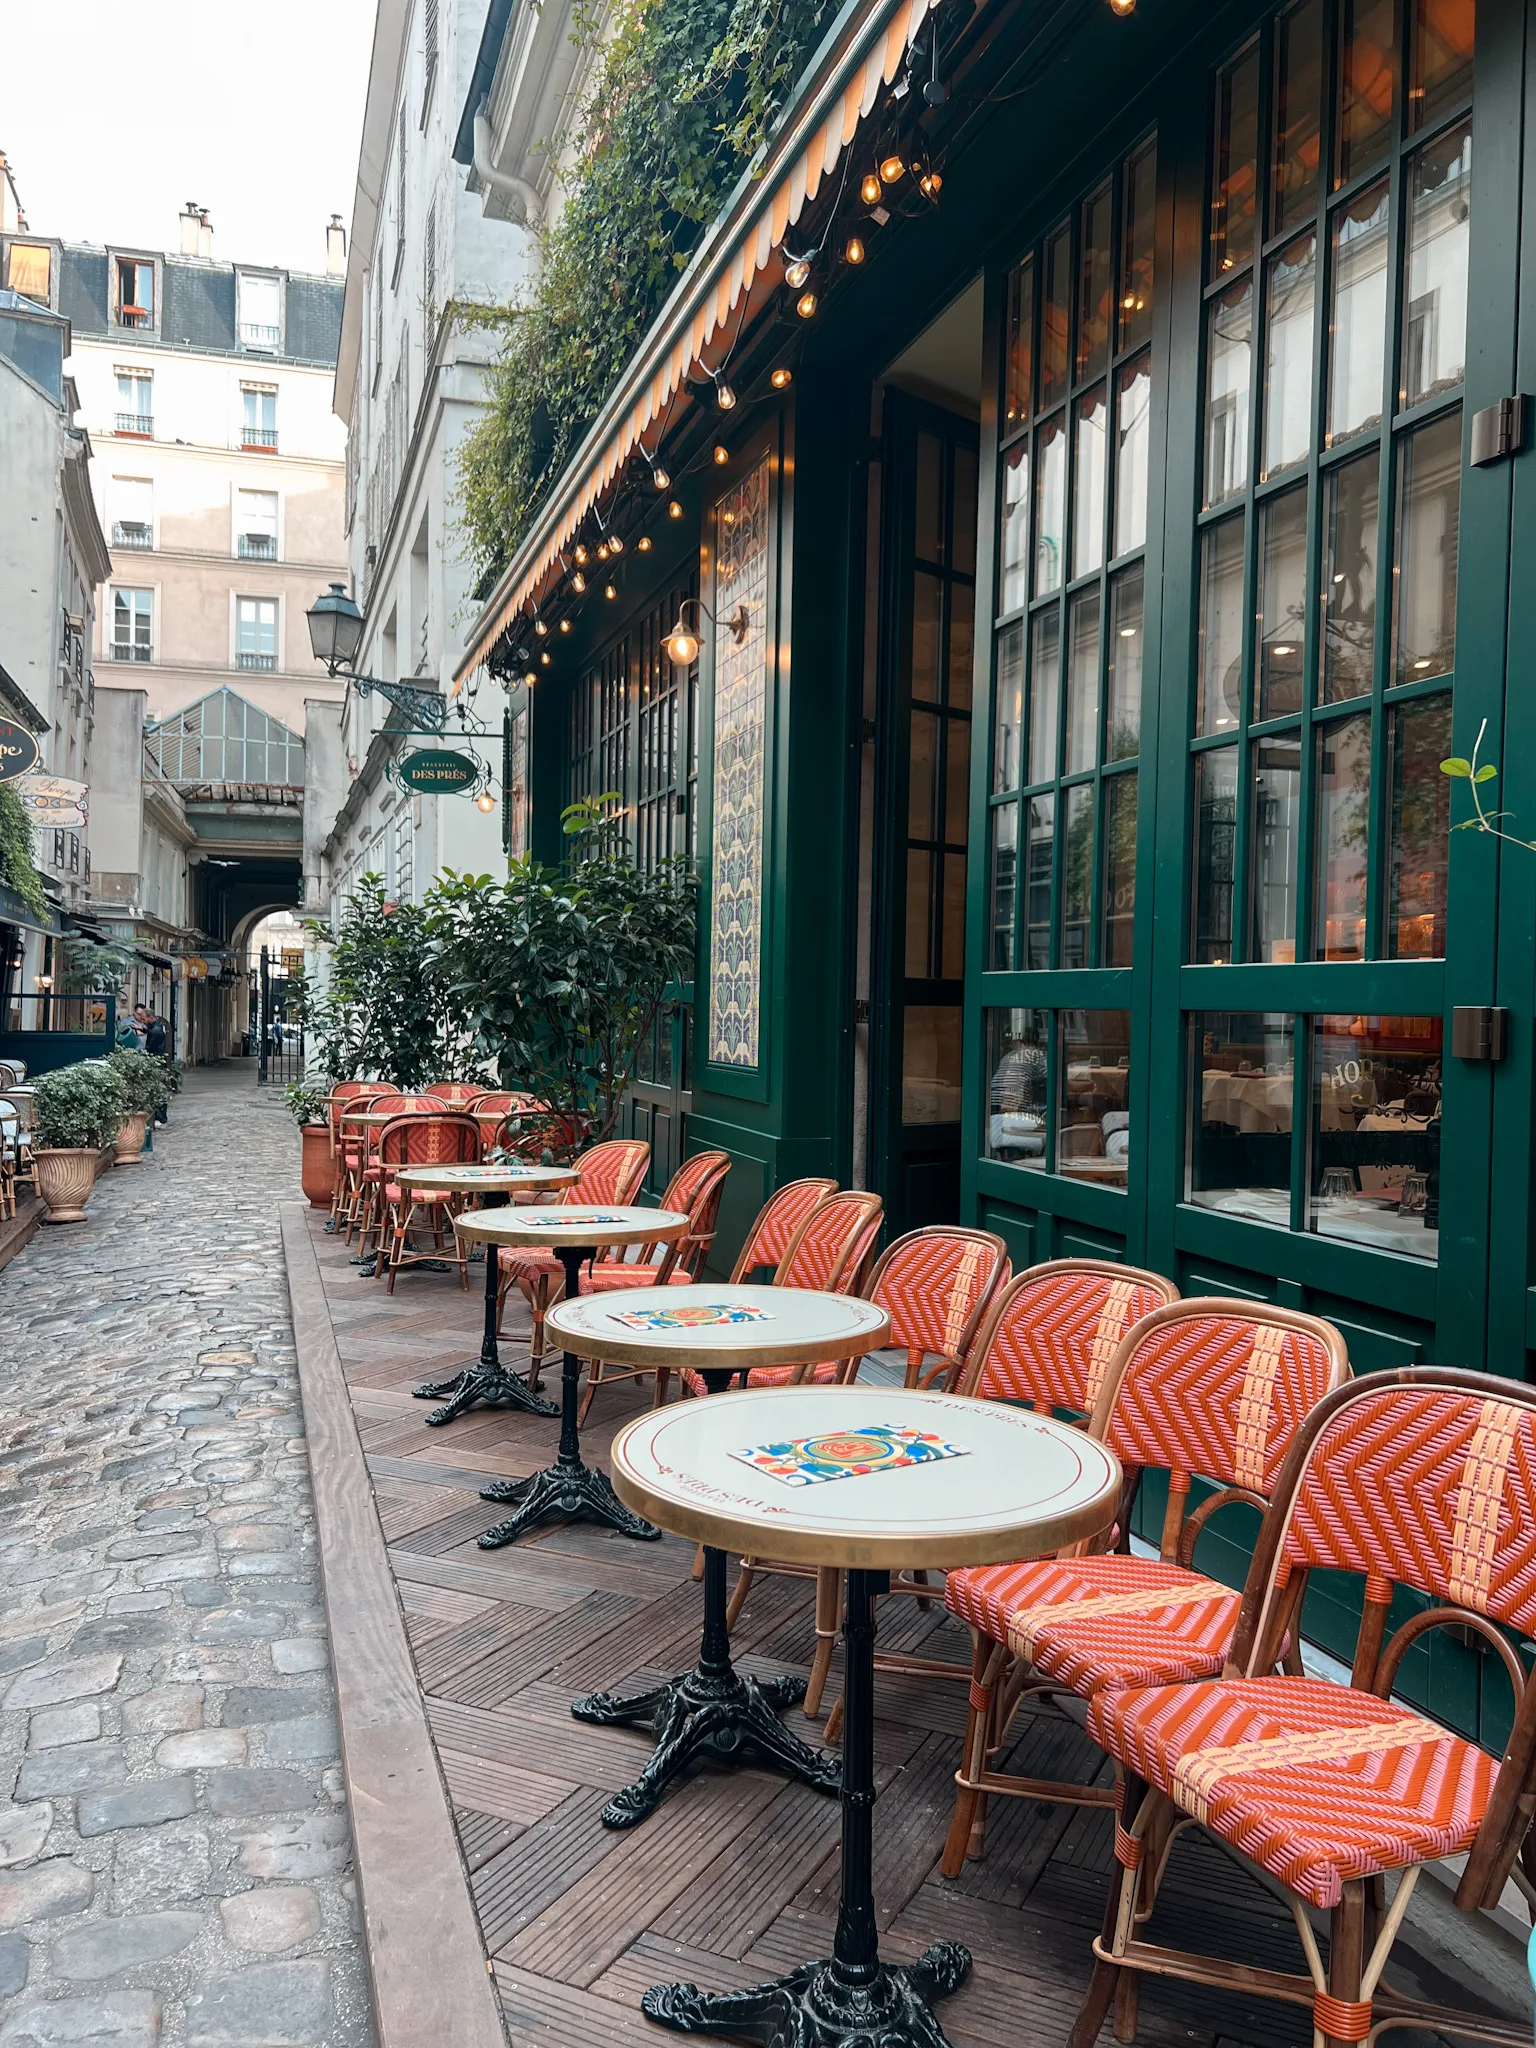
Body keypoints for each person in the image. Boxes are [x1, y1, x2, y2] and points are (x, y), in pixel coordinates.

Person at [141, 1009, 170, 1123]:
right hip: (160, 1061)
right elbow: (151, 1030)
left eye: (144, 1019)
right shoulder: (157, 1026)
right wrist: (143, 1029)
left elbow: (150, 1048)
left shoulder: (156, 1030)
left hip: (156, 1062)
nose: (143, 1021)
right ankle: (161, 1115)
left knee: (158, 1089)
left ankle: (161, 1116)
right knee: (160, 1089)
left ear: (150, 1017)